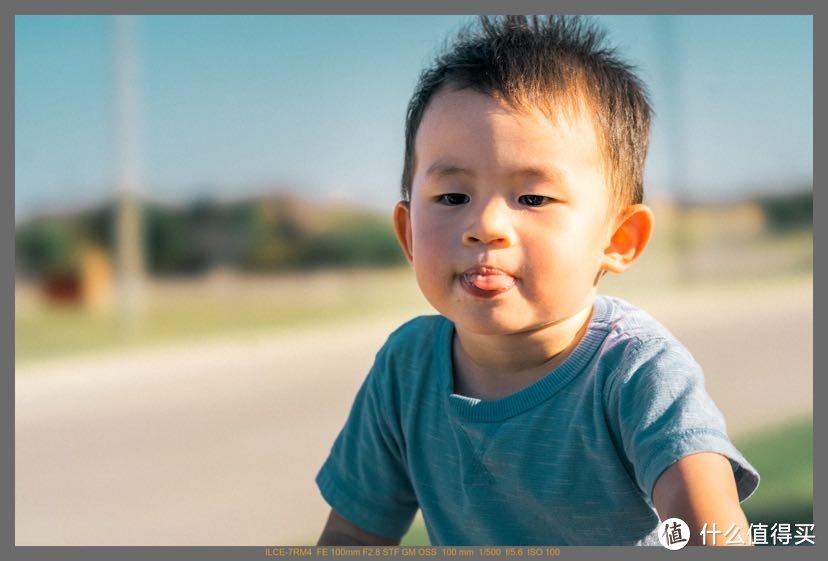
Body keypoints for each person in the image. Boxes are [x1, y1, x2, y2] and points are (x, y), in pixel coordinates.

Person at [315, 15, 759, 546]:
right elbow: (353, 537)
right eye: (452, 197)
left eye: (533, 198)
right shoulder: (405, 370)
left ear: (619, 239)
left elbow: (712, 534)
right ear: (408, 233)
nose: (485, 227)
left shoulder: (637, 372)